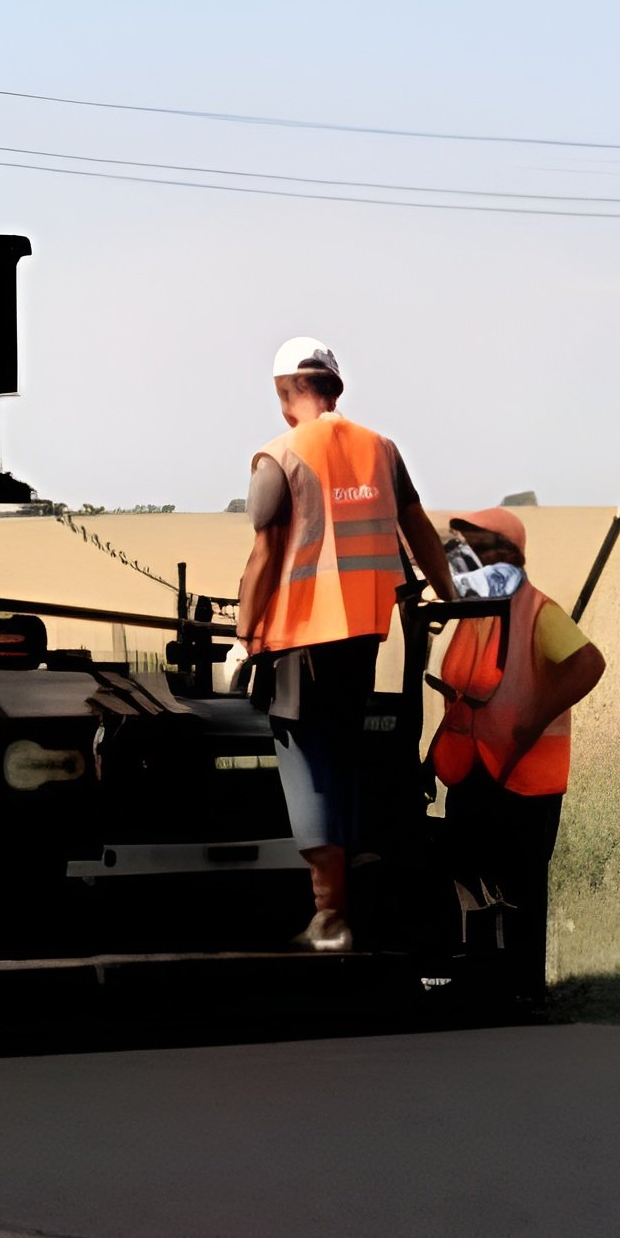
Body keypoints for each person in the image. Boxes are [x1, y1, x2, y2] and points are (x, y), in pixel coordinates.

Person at [233, 337, 455, 952]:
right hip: (362, 637)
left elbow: (263, 558)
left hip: (299, 643)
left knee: (309, 769)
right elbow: (419, 530)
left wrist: (245, 638)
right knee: (346, 758)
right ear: (335, 388)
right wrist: (449, 594)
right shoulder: (381, 449)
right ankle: (359, 894)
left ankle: (329, 919)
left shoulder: (279, 455)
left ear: (284, 395)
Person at [429, 508, 605, 1006]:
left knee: (521, 889)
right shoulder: (478, 610)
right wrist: (431, 756)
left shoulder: (539, 612)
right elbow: (463, 694)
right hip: (472, 772)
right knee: (473, 885)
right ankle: (482, 988)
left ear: (507, 554)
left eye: (475, 548)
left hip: (526, 777)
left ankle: (524, 997)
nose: (464, 558)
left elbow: (588, 665)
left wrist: (534, 717)